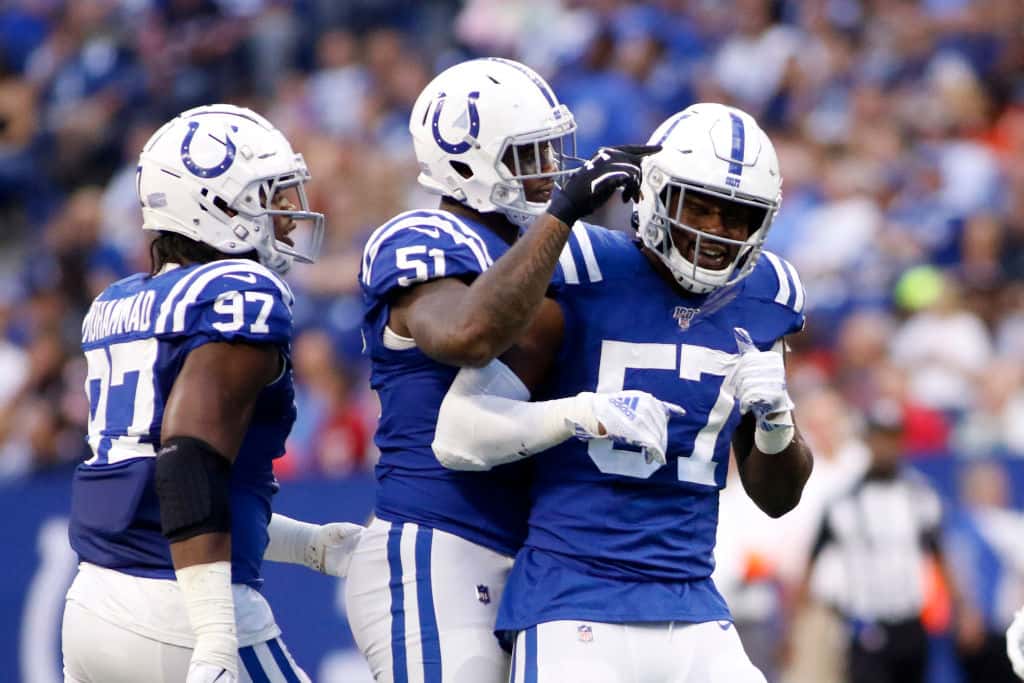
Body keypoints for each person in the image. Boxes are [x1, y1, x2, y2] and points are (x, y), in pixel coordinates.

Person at [431, 102, 815, 682]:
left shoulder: (766, 298)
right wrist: (581, 414)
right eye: (699, 206)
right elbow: (458, 435)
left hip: (693, 602)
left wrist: (777, 422)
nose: (715, 230)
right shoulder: (585, 269)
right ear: (655, 194)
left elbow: (778, 497)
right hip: (572, 596)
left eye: (738, 216)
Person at [346, 57, 673, 683]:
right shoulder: (424, 234)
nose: (549, 168)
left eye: (551, 149)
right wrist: (563, 215)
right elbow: (466, 335)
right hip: (441, 541)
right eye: (529, 154)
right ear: (466, 163)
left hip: (528, 557)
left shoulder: (535, 250)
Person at [62, 104, 363, 683]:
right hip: (180, 613)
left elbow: (152, 492)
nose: (288, 217)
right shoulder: (237, 292)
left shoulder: (120, 301)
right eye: (268, 197)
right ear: (218, 207)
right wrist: (217, 637)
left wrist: (308, 545)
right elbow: (186, 466)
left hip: (91, 606)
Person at [797, 399, 962, 683]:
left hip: (910, 622)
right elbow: (812, 561)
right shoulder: (842, 501)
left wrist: (963, 607)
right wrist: (795, 625)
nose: (885, 446)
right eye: (878, 438)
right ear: (867, 441)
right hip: (865, 624)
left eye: (891, 438)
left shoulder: (920, 496)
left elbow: (940, 555)